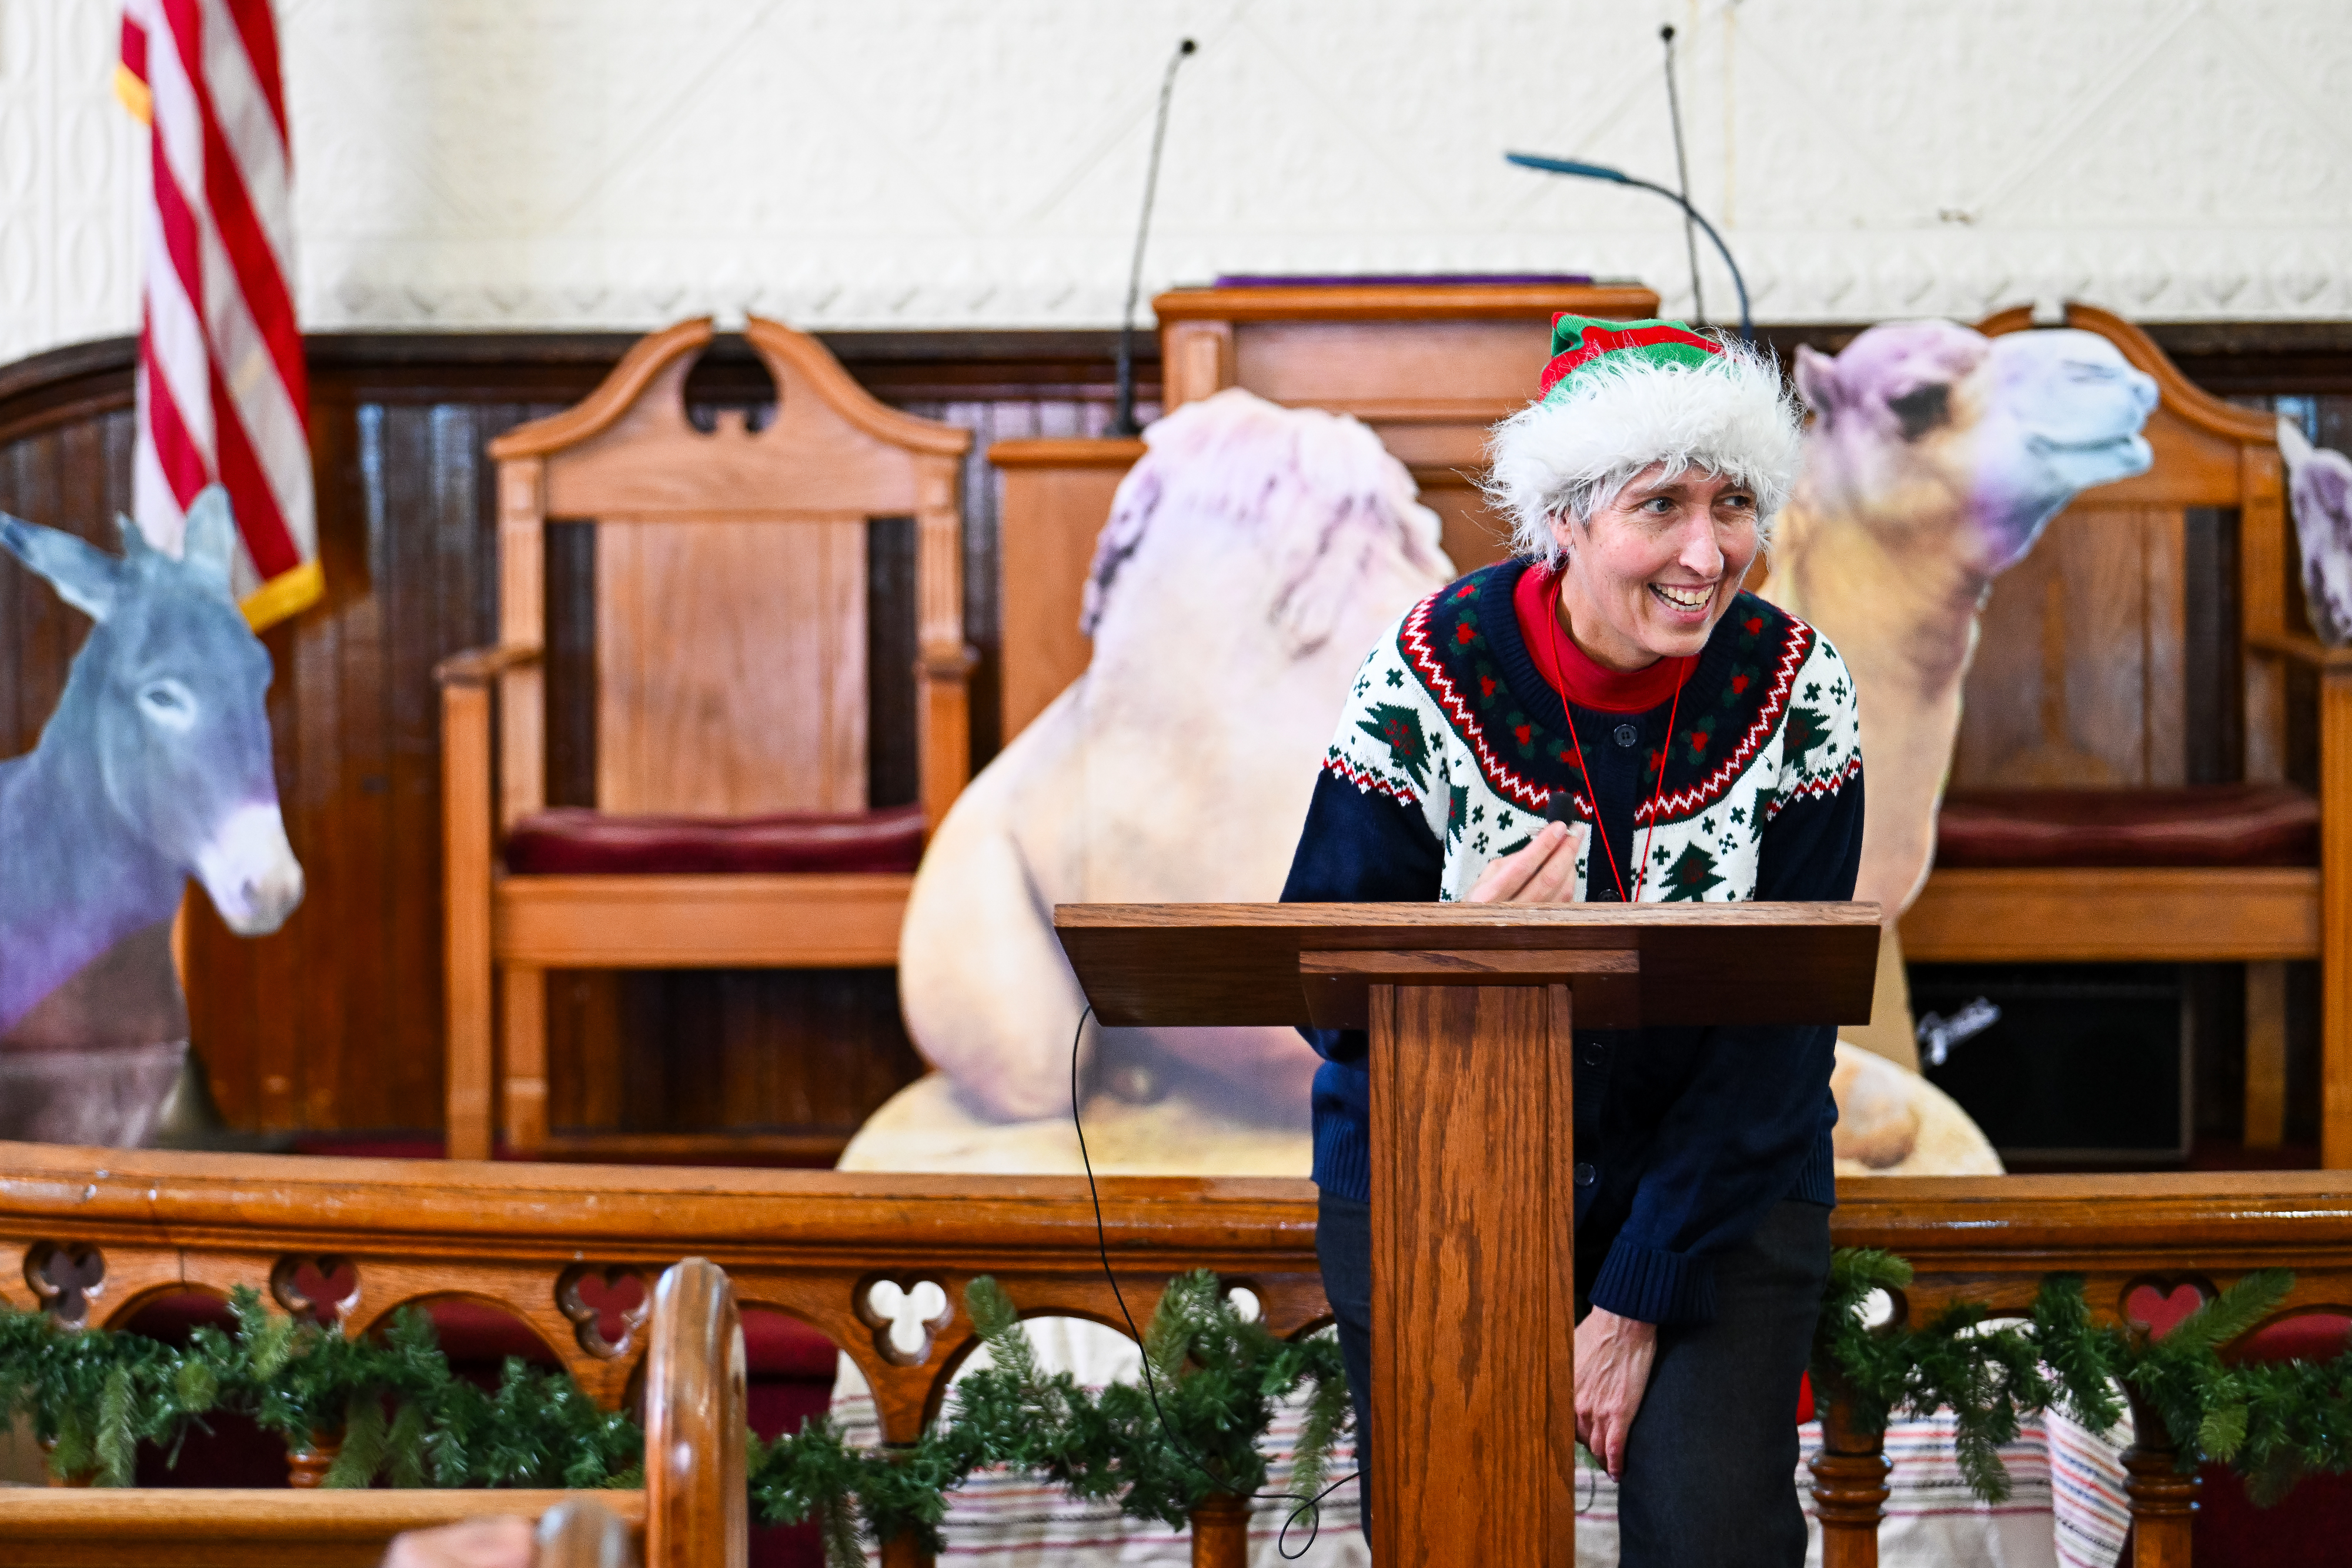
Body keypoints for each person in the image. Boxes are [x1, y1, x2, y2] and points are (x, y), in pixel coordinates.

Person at [1282, 317, 1862, 1565]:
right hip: (1440, 1168)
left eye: (1734, 502)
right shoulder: (1430, 662)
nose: (1706, 551)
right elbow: (1319, 994)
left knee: (1713, 1536)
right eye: (1660, 505)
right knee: (1456, 1536)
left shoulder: (1801, 689)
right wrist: (1453, 942)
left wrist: (1635, 1292)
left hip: (1718, 1181)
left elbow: (1780, 1031)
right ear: (1564, 517)